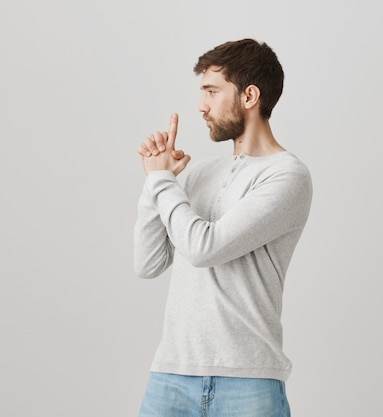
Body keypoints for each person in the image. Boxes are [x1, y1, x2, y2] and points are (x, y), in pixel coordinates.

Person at [133, 38, 312, 417]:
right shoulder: (199, 172)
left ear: (249, 96)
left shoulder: (287, 176)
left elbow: (204, 248)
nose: (201, 106)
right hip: (171, 373)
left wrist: (163, 181)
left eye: (212, 92)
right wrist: (155, 182)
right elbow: (147, 263)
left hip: (248, 380)